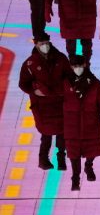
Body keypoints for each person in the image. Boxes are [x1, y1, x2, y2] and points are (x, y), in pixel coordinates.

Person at [18, 33, 69, 171]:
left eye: (46, 43)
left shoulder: (60, 59)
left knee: (62, 132)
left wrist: (62, 90)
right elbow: (23, 83)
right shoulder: (30, 63)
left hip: (59, 101)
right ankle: (43, 159)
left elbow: (69, 77)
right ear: (36, 44)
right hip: (42, 105)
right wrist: (34, 91)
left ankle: (61, 158)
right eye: (41, 44)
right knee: (46, 133)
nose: (44, 46)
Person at [62, 55, 100, 191]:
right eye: (74, 66)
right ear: (71, 67)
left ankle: (89, 166)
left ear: (84, 65)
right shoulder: (65, 83)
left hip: (91, 125)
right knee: (73, 153)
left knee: (92, 149)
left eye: (80, 65)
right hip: (72, 126)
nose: (77, 69)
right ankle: (75, 178)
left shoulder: (94, 84)